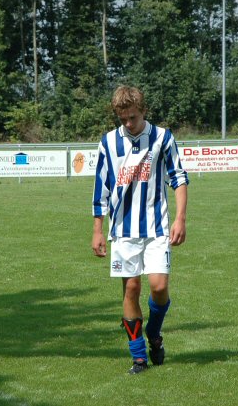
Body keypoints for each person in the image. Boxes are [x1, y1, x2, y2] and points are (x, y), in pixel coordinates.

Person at [91, 86, 189, 375]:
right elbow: (101, 188)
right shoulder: (108, 143)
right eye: (123, 120)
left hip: (157, 227)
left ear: (143, 111)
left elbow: (179, 179)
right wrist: (98, 230)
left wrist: (180, 218)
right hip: (123, 230)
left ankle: (154, 334)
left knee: (159, 287)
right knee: (131, 288)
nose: (129, 124)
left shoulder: (162, 138)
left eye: (133, 118)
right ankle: (138, 358)